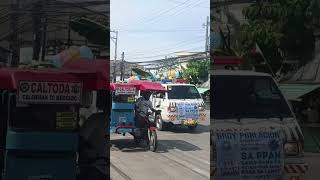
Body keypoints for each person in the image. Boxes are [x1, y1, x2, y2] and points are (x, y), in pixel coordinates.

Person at [78, 91, 109, 180]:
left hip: (98, 166)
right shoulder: (96, 119)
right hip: (96, 166)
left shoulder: (96, 119)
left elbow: (81, 139)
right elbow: (81, 139)